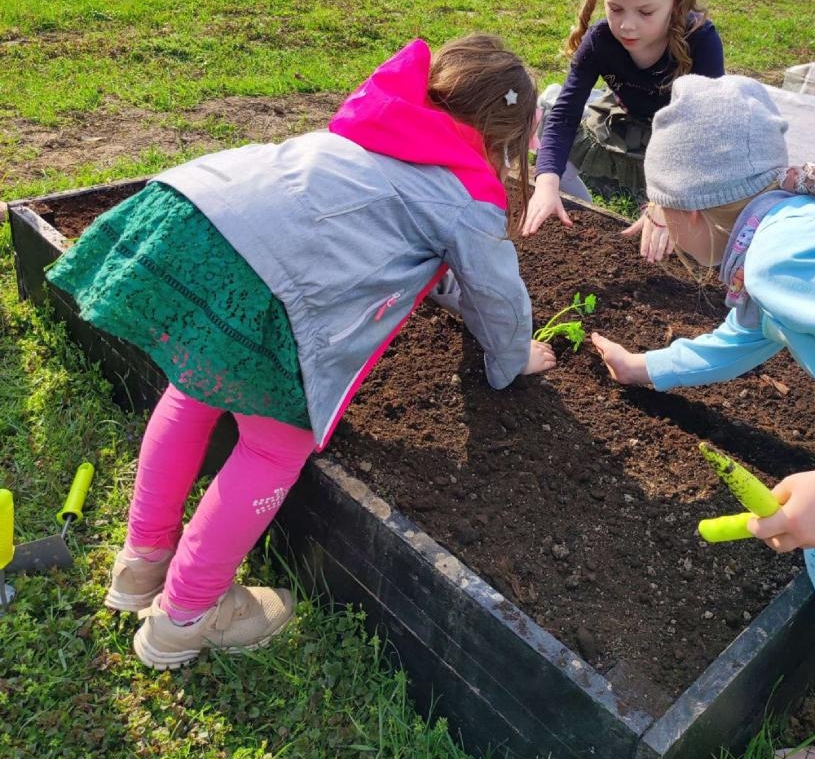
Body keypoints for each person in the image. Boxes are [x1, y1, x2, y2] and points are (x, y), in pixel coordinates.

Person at [46, 34, 556, 670]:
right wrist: (513, 359)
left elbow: (428, 257)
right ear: (501, 134)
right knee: (273, 443)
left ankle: (140, 564)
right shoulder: (468, 195)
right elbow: (497, 298)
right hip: (276, 284)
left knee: (194, 387)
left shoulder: (381, 124)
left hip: (203, 212)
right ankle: (185, 618)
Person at [590, 73, 815, 759]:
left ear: (692, 213)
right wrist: (646, 368)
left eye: (656, 206)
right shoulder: (781, 232)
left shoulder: (779, 254)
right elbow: (742, 338)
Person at [522, 0, 724, 262]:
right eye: (615, 8)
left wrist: (668, 202)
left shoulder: (700, 40)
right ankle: (584, 211)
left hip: (680, 136)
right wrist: (545, 184)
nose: (627, 25)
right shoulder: (601, 39)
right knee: (550, 114)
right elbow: (566, 113)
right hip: (625, 117)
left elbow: (709, 132)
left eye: (645, 12)